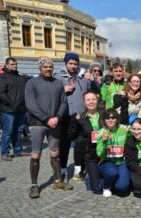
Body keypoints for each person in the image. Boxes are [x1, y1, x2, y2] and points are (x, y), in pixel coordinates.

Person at [25, 58, 72, 199]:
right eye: (45, 67)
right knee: (36, 154)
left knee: (55, 153)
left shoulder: (58, 83)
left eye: (50, 67)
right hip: (38, 123)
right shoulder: (31, 83)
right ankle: (34, 186)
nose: (48, 69)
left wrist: (57, 117)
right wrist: (46, 119)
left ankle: (58, 181)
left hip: (54, 123)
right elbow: (30, 104)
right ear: (40, 68)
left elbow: (63, 101)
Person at [53, 52, 90, 181]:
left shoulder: (83, 78)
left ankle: (79, 169)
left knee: (80, 144)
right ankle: (62, 169)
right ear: (66, 63)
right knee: (64, 144)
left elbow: (91, 92)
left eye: (75, 63)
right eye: (71, 63)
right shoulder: (58, 77)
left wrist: (90, 79)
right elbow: (52, 96)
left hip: (80, 116)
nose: (73, 66)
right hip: (65, 116)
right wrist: (62, 90)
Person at [68, 91, 103, 192]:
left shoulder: (104, 115)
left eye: (93, 99)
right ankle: (90, 174)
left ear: (97, 100)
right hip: (90, 155)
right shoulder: (80, 117)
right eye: (88, 100)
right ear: (84, 102)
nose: (91, 102)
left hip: (105, 154)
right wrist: (75, 122)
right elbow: (72, 136)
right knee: (96, 188)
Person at [0, 57, 28, 161]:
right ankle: (5, 153)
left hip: (20, 109)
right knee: (8, 131)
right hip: (7, 109)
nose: (15, 66)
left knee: (18, 131)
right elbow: (1, 93)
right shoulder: (2, 77)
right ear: (6, 65)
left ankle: (18, 151)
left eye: (16, 64)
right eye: (12, 64)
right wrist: (12, 103)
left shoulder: (20, 77)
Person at [96, 109, 130, 197]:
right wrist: (103, 142)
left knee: (122, 187)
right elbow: (99, 154)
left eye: (113, 117)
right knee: (112, 172)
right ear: (104, 120)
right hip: (106, 161)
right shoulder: (100, 132)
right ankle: (106, 186)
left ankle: (114, 182)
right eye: (107, 118)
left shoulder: (125, 129)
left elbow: (138, 130)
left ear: (117, 119)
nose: (110, 120)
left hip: (122, 162)